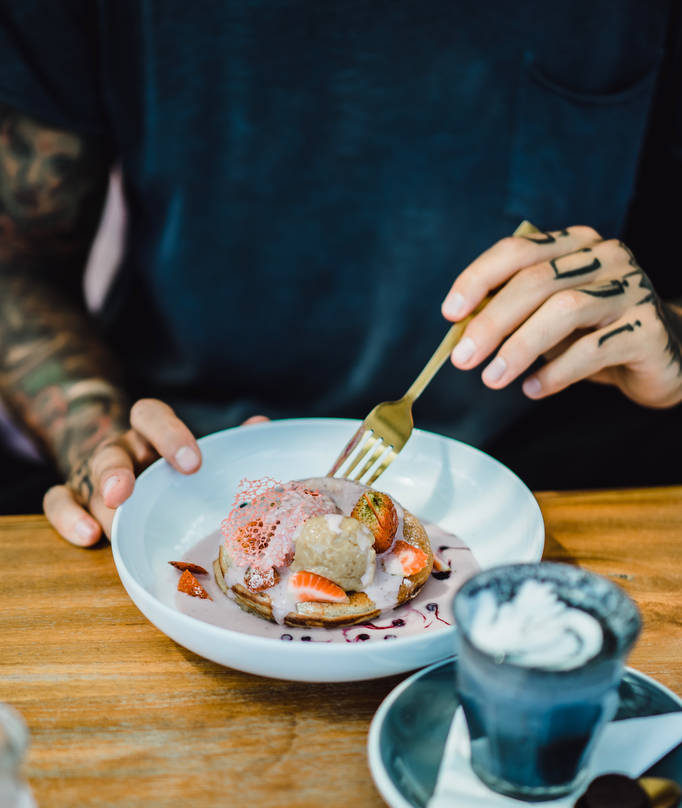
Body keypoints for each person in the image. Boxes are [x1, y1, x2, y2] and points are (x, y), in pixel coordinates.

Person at [0, 1, 680, 546]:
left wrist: (675, 342)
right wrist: (103, 449)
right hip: (194, 468)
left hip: (576, 495)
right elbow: (15, 266)